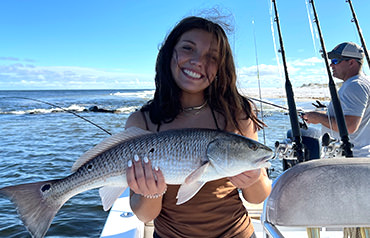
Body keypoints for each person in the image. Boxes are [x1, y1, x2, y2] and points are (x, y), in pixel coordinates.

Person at [124, 15, 271, 238]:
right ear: (168, 52)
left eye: (212, 56)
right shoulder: (141, 121)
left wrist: (255, 178)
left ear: (222, 66)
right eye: (187, 48)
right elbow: (145, 216)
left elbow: (257, 197)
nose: (198, 61)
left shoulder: (238, 113)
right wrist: (149, 193)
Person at [303, 42, 370, 157]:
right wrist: (321, 114)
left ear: (351, 62)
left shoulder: (355, 85)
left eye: (335, 61)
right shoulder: (362, 83)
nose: (331, 65)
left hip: (350, 160)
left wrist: (319, 118)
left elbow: (349, 126)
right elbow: (351, 115)